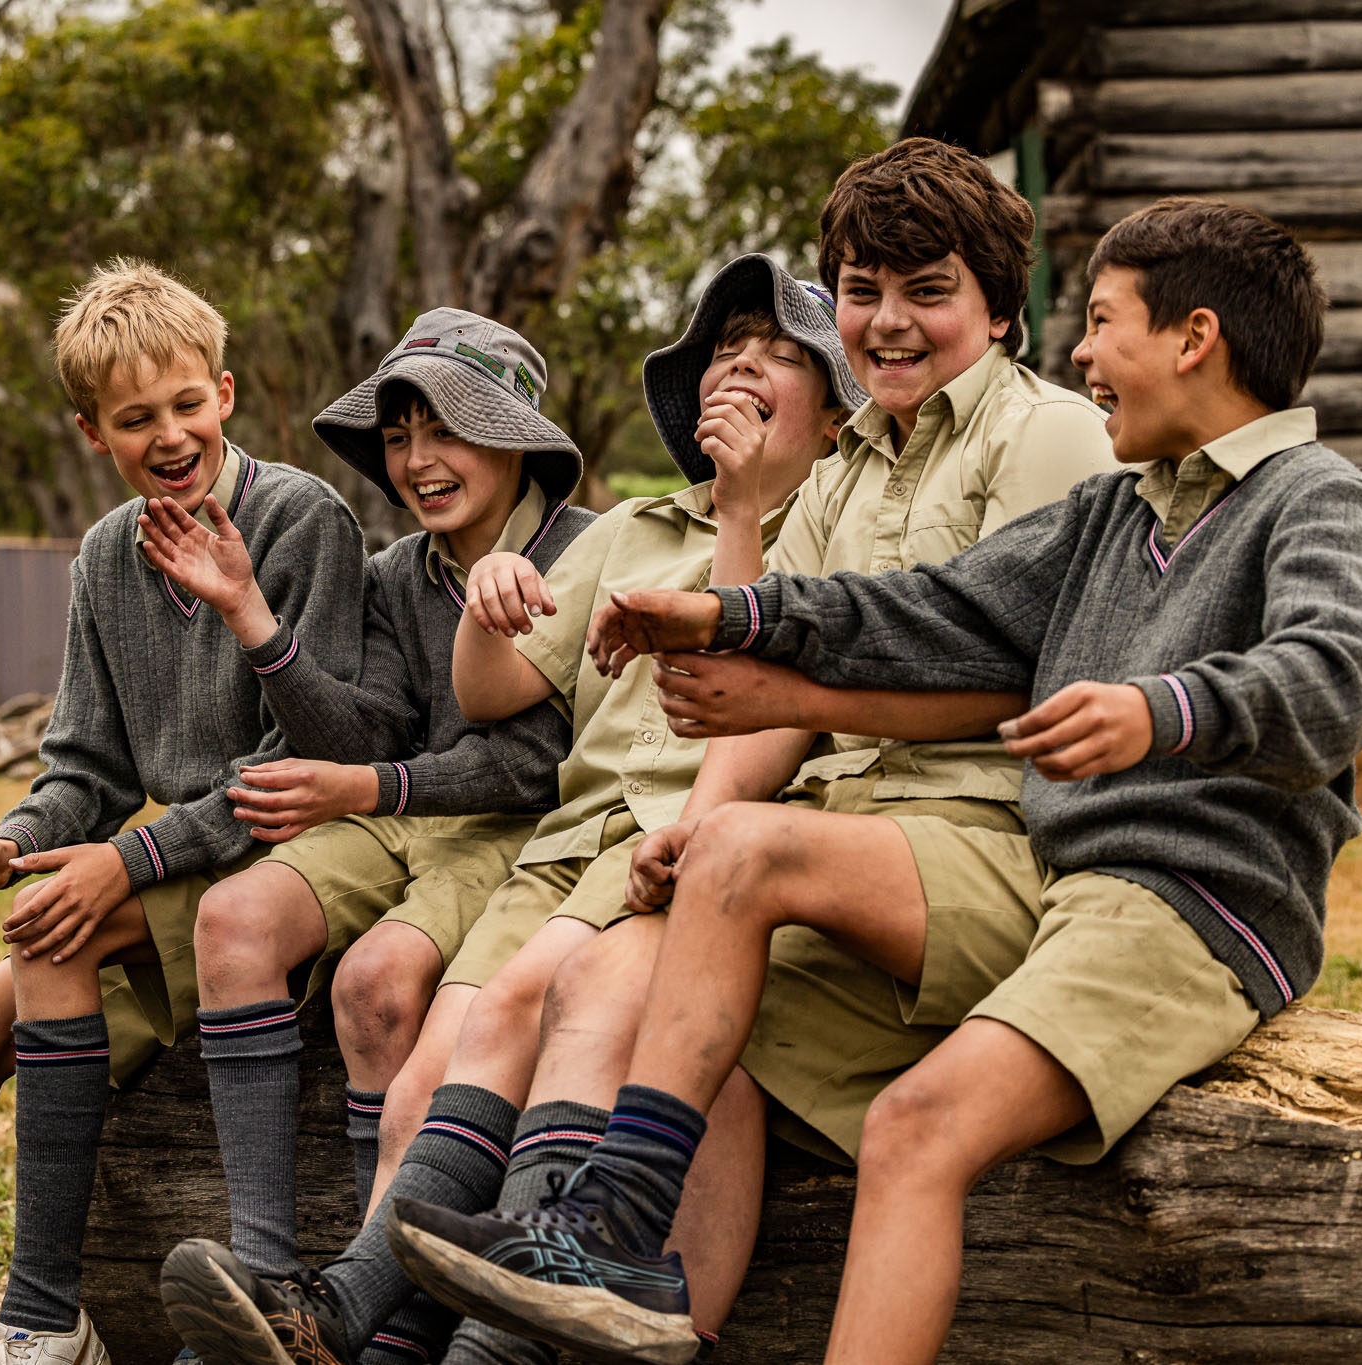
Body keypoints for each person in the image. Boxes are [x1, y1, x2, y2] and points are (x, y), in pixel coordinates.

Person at [394, 197, 1362, 1365]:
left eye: (1103, 321)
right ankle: (618, 1251)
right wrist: (729, 611)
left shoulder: (1314, 492)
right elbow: (928, 610)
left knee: (915, 1123)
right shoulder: (1116, 509)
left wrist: (1158, 708)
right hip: (1069, 883)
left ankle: (608, 1230)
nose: (1079, 352)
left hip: (1193, 899)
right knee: (711, 1006)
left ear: (1194, 338)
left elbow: (1334, 678)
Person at [387, 135, 1116, 1364]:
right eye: (866, 293)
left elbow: (1030, 683)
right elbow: (780, 703)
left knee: (724, 876)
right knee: (651, 1003)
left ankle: (592, 1238)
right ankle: (613, 1311)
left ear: (999, 308)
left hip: (993, 836)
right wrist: (689, 818)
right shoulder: (839, 477)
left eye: (927, 292)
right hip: (851, 838)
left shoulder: (1040, 438)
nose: (889, 324)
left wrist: (730, 802)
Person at [158, 252, 865, 1365]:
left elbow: (737, 702)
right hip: (574, 852)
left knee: (531, 1012)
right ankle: (342, 1323)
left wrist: (738, 510)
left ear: (833, 422)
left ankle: (394, 1325)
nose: (742, 368)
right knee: (424, 1094)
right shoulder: (627, 530)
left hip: (689, 844)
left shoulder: (841, 522)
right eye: (729, 351)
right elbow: (479, 697)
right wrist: (485, 611)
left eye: (781, 358)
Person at [0, 259, 367, 1365]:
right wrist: (16, 842)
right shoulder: (102, 557)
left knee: (59, 922)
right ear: (94, 432)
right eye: (137, 419)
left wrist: (124, 863)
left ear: (224, 394)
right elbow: (84, 766)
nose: (170, 434)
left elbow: (302, 764)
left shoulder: (299, 519)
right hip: (173, 878)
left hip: (285, 867)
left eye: (187, 405)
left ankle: (43, 1316)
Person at [137, 307, 593, 1357]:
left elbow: (537, 765)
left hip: (512, 829)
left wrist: (370, 787)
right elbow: (370, 727)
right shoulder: (396, 574)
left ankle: (380, 1324)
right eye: (398, 437)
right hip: (399, 809)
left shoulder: (581, 553)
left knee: (375, 981)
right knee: (236, 917)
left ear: (516, 433)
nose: (419, 462)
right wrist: (256, 620)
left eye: (447, 429)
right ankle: (262, 1282)